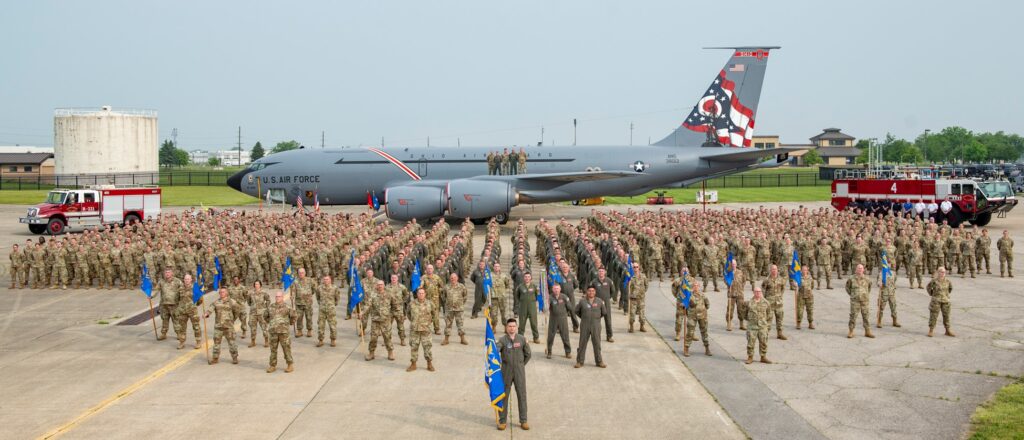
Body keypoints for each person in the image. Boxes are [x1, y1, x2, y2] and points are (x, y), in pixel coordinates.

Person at [497, 318, 531, 431]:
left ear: (516, 327)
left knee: (522, 395)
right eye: (509, 326)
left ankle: (524, 420)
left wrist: (521, 365)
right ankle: (502, 421)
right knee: (503, 396)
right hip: (506, 371)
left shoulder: (521, 339)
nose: (512, 328)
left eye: (513, 326)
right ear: (506, 328)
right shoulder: (502, 340)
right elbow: (496, 351)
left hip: (519, 371)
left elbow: (528, 354)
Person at [574, 286, 607, 368]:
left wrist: (596, 318)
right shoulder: (582, 301)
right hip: (585, 325)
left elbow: (604, 312)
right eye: (589, 291)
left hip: (596, 325)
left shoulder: (599, 301)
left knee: (597, 343)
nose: (591, 292)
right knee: (582, 343)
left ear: (595, 292)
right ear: (587, 292)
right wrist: (585, 317)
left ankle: (599, 361)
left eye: (593, 291)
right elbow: (576, 311)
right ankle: (579, 361)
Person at [205, 287, 239, 365]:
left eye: (223, 292)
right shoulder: (216, 302)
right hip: (218, 327)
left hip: (228, 327)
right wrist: (206, 314)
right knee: (216, 343)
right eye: (220, 292)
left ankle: (235, 358)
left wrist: (232, 319)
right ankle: (215, 358)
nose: (221, 293)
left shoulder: (232, 302)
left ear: (226, 293)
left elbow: (237, 310)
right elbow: (210, 309)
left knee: (232, 343)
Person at [266, 291, 296, 373]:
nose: (277, 298)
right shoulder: (271, 307)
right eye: (276, 296)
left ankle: (290, 365)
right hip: (273, 332)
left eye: (279, 296)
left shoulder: (287, 307)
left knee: (286, 348)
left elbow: (293, 316)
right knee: (273, 349)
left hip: (284, 332)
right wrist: (272, 323)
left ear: (282, 297)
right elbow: (265, 316)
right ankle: (272, 365)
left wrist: (289, 323)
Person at [364, 280, 395, 361]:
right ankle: (371, 353)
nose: (380, 286)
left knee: (387, 337)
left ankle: (390, 352)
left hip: (385, 320)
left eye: (381, 284)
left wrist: (390, 315)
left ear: (384, 285)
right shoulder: (373, 294)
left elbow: (394, 305)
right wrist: (362, 313)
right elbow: (368, 305)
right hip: (375, 320)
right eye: (378, 285)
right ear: (376, 286)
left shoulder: (389, 294)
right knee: (373, 338)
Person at [407, 288, 436, 372]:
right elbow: (408, 314)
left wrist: (428, 323)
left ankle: (429, 364)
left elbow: (434, 314)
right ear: (417, 294)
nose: (421, 295)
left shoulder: (430, 303)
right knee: (414, 347)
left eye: (422, 293)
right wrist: (414, 322)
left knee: (427, 347)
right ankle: (413, 364)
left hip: (426, 330)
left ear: (425, 294)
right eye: (419, 293)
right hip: (414, 330)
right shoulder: (412, 303)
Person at [174, 273, 203, 350]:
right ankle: (182, 342)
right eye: (185, 279)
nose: (186, 280)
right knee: (182, 328)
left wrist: (194, 306)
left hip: (193, 311)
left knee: (196, 327)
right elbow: (177, 299)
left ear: (191, 280)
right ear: (184, 280)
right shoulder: (180, 289)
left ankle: (198, 342)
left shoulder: (195, 288)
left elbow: (200, 300)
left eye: (188, 279)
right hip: (182, 311)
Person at [845, 264, 874, 339]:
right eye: (858, 268)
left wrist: (865, 295)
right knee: (853, 316)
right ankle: (851, 331)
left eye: (861, 268)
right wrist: (853, 295)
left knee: (866, 316)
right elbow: (847, 288)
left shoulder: (867, 279)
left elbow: (869, 288)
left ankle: (867, 331)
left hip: (865, 301)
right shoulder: (851, 278)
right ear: (856, 269)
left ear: (863, 270)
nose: (860, 269)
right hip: (855, 301)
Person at [683, 282, 711, 357]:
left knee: (704, 332)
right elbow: (684, 305)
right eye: (694, 286)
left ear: (699, 286)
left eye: (697, 286)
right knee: (690, 333)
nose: (696, 287)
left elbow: (707, 304)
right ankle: (686, 348)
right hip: (692, 316)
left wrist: (702, 310)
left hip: (702, 316)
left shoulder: (703, 295)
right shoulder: (689, 295)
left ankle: (707, 348)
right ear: (692, 287)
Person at [760, 265, 787, 340]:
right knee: (768, 319)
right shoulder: (766, 280)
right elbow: (763, 290)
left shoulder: (781, 279)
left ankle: (780, 333)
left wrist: (779, 296)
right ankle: (766, 334)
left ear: (777, 270)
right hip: (769, 303)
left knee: (780, 319)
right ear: (770, 270)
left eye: (775, 269)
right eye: (772, 269)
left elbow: (783, 288)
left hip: (779, 303)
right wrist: (765, 300)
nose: (774, 270)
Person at [545, 284, 572, 359]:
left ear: (560, 289)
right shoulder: (550, 297)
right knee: (550, 336)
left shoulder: (564, 297)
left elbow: (569, 306)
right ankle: (549, 351)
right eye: (555, 289)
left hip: (563, 319)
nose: (556, 290)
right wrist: (546, 306)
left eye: (557, 288)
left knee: (565, 336)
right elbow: (547, 307)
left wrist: (565, 312)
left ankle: (568, 352)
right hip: (553, 319)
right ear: (552, 290)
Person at [927, 267, 954, 337]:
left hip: (945, 301)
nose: (942, 273)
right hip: (936, 301)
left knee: (946, 316)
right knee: (933, 315)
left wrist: (946, 295)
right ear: (938, 272)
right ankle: (931, 330)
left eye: (943, 272)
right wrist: (932, 294)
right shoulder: (934, 281)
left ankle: (947, 330)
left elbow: (950, 289)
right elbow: (928, 287)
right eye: (941, 272)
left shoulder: (948, 281)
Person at [745, 286, 770, 364]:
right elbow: (744, 314)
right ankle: (750, 357)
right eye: (756, 291)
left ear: (761, 293)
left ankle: (763, 357)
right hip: (752, 326)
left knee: (764, 342)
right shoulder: (749, 303)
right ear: (753, 292)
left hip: (762, 326)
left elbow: (769, 314)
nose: (758, 293)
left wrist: (765, 323)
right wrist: (750, 321)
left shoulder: (766, 302)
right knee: (750, 343)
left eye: (759, 292)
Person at [316, 275, 342, 347]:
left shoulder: (334, 288)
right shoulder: (319, 288)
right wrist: (321, 304)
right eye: (324, 279)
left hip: (331, 310)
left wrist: (333, 304)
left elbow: (337, 298)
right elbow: (317, 297)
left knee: (332, 326)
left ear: (330, 280)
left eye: (327, 279)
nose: (325, 281)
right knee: (320, 326)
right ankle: (320, 340)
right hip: (322, 310)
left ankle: (333, 340)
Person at [589, 267, 615, 342]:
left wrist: (608, 298)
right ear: (598, 272)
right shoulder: (594, 281)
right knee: (596, 321)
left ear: (605, 272)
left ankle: (609, 336)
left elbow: (613, 291)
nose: (601, 273)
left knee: (608, 320)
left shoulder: (609, 281)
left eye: (602, 271)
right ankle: (595, 336)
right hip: (597, 303)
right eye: (599, 271)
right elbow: (590, 290)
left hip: (606, 303)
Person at [155, 268, 182, 341]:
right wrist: (151, 295)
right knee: (164, 320)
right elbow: (156, 290)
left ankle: (179, 334)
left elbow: (182, 290)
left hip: (174, 305)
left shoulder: (177, 281)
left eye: (169, 272)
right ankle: (163, 334)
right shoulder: (161, 282)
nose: (167, 274)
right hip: (164, 305)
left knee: (176, 320)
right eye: (166, 272)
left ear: (172, 273)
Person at [442, 273, 468, 345]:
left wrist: (460, 304)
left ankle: (462, 339)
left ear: (457, 278)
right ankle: (446, 339)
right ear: (450, 279)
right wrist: (448, 303)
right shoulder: (446, 287)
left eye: (454, 277)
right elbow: (443, 297)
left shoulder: (462, 286)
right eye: (451, 278)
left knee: (460, 324)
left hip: (459, 309)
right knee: (448, 324)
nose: (453, 279)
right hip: (449, 309)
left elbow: (465, 296)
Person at [515, 272, 540, 343]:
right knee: (522, 324)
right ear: (524, 278)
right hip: (523, 307)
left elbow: (537, 296)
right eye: (525, 277)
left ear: (531, 278)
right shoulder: (520, 286)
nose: (527, 278)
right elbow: (517, 296)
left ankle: (536, 337)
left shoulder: (534, 286)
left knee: (534, 323)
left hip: (532, 307)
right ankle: (520, 338)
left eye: (528, 277)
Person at [292, 267, 315, 337]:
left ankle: (309, 330)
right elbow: (293, 290)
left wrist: (309, 295)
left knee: (309, 317)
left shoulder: (310, 280)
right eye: (299, 273)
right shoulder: (295, 281)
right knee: (299, 317)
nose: (301, 274)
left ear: (305, 273)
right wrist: (292, 296)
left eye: (302, 273)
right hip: (299, 303)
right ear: (298, 273)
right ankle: (299, 331)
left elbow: (314, 289)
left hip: (308, 303)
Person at [248, 280, 271, 348]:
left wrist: (265, 307)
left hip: (262, 313)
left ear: (260, 285)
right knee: (253, 328)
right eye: (255, 284)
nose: (256, 285)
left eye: (257, 284)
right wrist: (253, 306)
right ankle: (253, 341)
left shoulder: (264, 293)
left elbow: (268, 300)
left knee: (264, 327)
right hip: (253, 313)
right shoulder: (251, 293)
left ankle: (266, 341)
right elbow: (249, 302)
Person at [627, 262, 648, 333]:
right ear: (632, 268)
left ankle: (642, 326)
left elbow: (646, 285)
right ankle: (631, 326)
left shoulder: (643, 276)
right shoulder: (630, 277)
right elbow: (628, 287)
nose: (635, 268)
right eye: (634, 267)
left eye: (637, 267)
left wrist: (642, 292)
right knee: (632, 313)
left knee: (642, 313)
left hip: (641, 298)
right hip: (633, 298)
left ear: (639, 267)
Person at [796, 266, 815, 330]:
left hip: (809, 296)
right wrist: (794, 285)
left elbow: (812, 286)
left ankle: (810, 323)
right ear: (801, 271)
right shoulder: (798, 278)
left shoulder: (810, 278)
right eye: (803, 270)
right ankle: (798, 323)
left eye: (805, 270)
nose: (804, 271)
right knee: (800, 310)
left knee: (810, 310)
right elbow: (795, 286)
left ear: (807, 271)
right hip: (801, 296)